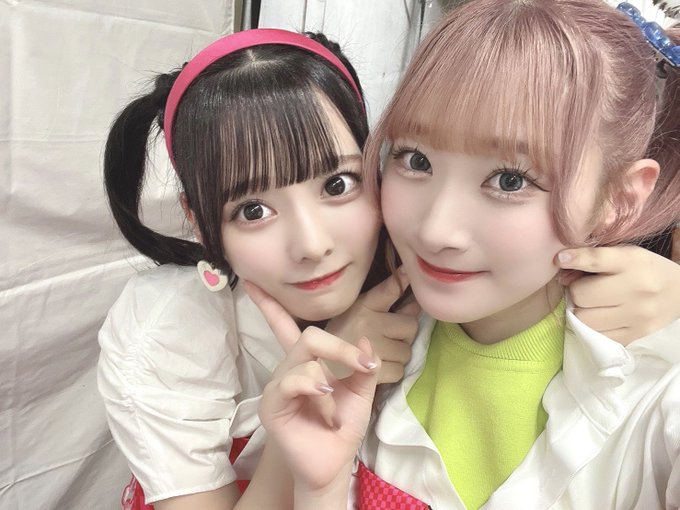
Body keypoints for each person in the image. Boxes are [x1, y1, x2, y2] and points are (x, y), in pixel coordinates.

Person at [254, 1, 680, 508]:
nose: (436, 231)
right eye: (416, 160)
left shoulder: (659, 394)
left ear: (618, 199)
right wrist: (318, 488)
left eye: (510, 180)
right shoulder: (357, 355)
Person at [98, 28, 419, 510]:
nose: (312, 245)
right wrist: (314, 397)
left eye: (337, 184)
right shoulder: (168, 333)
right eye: (253, 210)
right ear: (197, 219)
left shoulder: (423, 274)